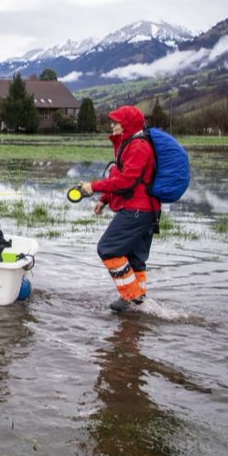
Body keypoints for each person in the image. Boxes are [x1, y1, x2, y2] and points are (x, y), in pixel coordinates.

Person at [80, 105, 160, 312]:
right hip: (145, 210)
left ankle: (131, 296)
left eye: (116, 122)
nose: (112, 125)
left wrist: (94, 187)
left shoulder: (138, 147)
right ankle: (141, 304)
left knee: (108, 248)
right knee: (135, 258)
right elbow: (119, 177)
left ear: (127, 125)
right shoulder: (129, 144)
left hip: (137, 210)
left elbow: (126, 181)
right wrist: (105, 199)